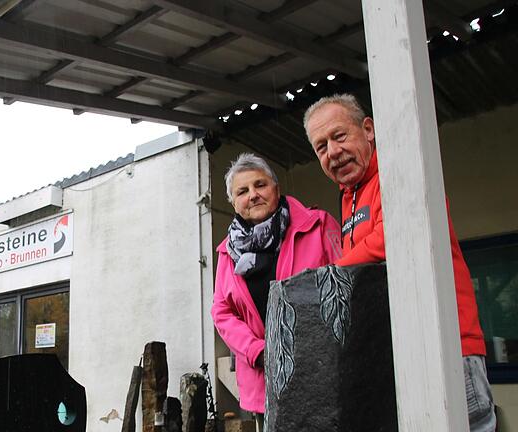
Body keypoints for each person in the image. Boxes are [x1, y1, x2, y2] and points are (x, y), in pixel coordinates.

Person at [303, 93, 495, 431]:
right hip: (401, 356)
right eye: (321, 147)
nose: (332, 152)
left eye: (339, 136)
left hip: (447, 350)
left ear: (368, 129)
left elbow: (396, 235)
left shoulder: (401, 170)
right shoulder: (351, 197)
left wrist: (329, 274)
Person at [212, 153, 342, 427]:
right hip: (263, 382)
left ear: (276, 189)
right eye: (242, 191)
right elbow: (222, 311)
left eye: (260, 185)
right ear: (234, 203)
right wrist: (257, 350)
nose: (253, 195)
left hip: (320, 374)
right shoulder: (227, 253)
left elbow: (344, 289)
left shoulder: (318, 226)